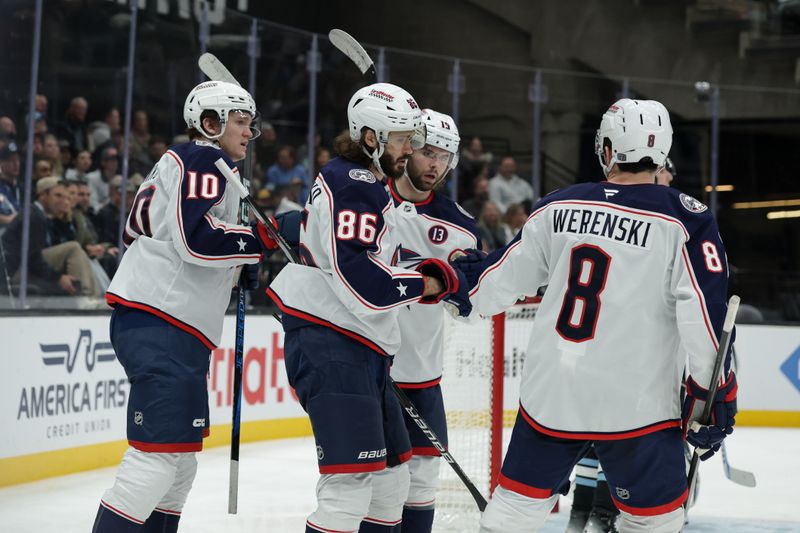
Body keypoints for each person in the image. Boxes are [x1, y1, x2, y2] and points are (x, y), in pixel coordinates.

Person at [454, 98, 737, 533]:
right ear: (662, 153)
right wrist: (713, 398)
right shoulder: (685, 219)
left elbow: (493, 284)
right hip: (637, 406)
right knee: (653, 524)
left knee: (511, 514)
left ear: (606, 149)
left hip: (553, 397)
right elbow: (704, 321)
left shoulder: (557, 206)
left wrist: (443, 286)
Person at [265, 83, 471, 533]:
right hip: (334, 348)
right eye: (402, 139)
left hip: (363, 351)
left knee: (392, 485)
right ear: (372, 138)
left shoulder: (363, 184)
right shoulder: (354, 183)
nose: (411, 149)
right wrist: (429, 281)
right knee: (350, 489)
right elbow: (364, 285)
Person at [91, 80, 277, 533]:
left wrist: (239, 261)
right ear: (209, 124)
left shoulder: (206, 167)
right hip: (162, 323)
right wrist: (256, 240)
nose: (248, 132)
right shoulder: (201, 158)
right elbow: (195, 240)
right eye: (240, 121)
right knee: (156, 462)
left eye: (250, 124)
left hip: (171, 324)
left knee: (177, 467)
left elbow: (173, 238)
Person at [387, 109, 481, 533]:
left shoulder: (459, 226)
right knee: (367, 481)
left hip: (422, 372)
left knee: (422, 481)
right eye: (427, 152)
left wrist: (464, 280)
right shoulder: (366, 199)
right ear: (407, 148)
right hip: (366, 366)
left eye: (444, 156)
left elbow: (468, 298)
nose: (435, 165)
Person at [1, 177, 100, 297]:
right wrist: (58, 278)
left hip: (23, 268)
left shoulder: (40, 215)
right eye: (57, 196)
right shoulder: (33, 216)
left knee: (77, 250)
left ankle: (94, 297)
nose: (63, 201)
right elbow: (32, 259)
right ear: (43, 196)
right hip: (15, 272)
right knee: (73, 248)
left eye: (65, 197)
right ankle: (84, 297)